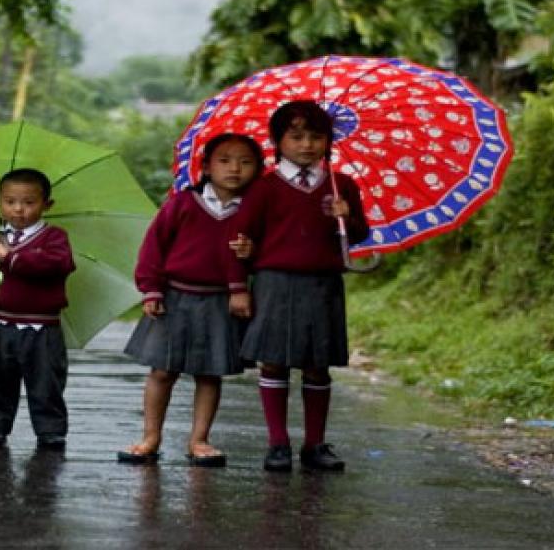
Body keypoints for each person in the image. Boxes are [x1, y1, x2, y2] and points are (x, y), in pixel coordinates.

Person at [223, 100, 370, 472]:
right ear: (278, 141)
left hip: (323, 284)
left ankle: (315, 444)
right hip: (274, 282)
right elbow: (239, 237)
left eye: (316, 137)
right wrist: (238, 286)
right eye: (296, 137)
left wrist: (346, 217)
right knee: (274, 363)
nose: (307, 145)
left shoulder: (343, 186)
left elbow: (359, 235)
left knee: (318, 365)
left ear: (328, 141)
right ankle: (278, 444)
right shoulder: (263, 187)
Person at [118, 133, 263, 467]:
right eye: (224, 160)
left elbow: (268, 256)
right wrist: (151, 289)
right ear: (206, 167)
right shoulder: (182, 204)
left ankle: (199, 439)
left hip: (220, 302)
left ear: (258, 169)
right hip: (174, 296)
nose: (235, 169)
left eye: (245, 162)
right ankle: (151, 436)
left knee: (209, 373)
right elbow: (153, 247)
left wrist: (252, 253)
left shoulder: (254, 213)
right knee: (162, 371)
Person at [0, 168, 77, 450]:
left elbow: (57, 265)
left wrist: (13, 257)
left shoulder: (54, 237)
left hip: (41, 327)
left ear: (47, 204)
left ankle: (51, 433)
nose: (18, 210)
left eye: (28, 202)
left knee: (45, 384)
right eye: (10, 202)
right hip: (0, 325)